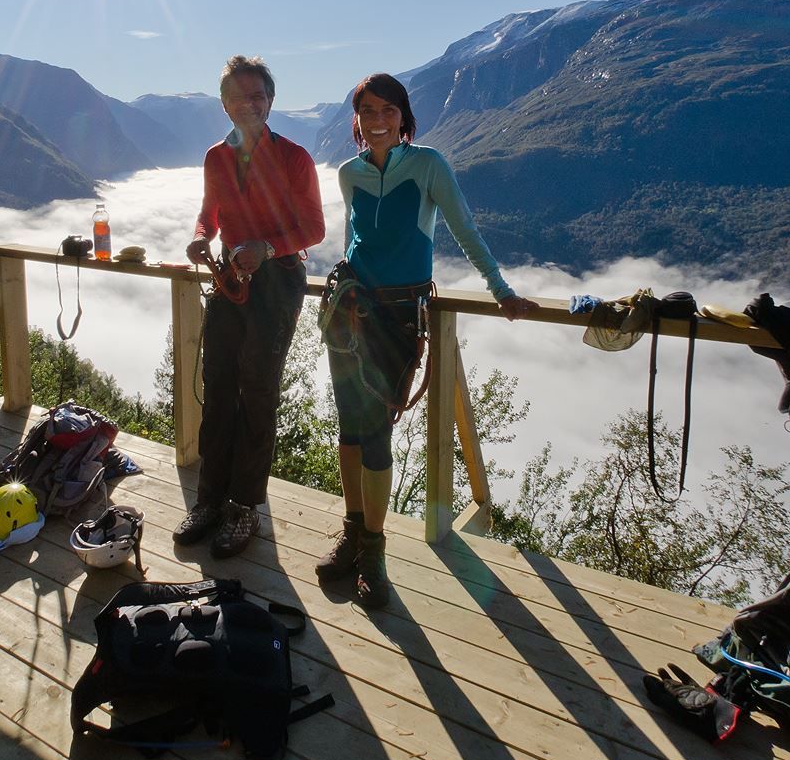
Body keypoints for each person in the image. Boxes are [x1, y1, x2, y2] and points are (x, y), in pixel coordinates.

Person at [320, 73, 538, 607]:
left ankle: (373, 550)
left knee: (376, 434)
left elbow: (464, 229)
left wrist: (501, 291)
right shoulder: (349, 173)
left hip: (397, 316)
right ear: (356, 117)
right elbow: (354, 237)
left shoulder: (429, 165)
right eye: (366, 110)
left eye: (386, 110)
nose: (376, 120)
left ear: (403, 116)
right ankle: (353, 534)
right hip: (351, 313)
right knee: (350, 429)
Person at [177, 55, 324, 557]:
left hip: (277, 280)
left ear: (270, 100)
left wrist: (265, 247)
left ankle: (245, 507)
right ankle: (210, 500)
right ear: (224, 104)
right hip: (231, 275)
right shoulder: (216, 157)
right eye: (239, 98)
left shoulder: (295, 157)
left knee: (257, 390)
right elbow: (209, 215)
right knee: (217, 384)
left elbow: (315, 229)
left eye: (257, 96)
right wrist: (200, 238)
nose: (249, 105)